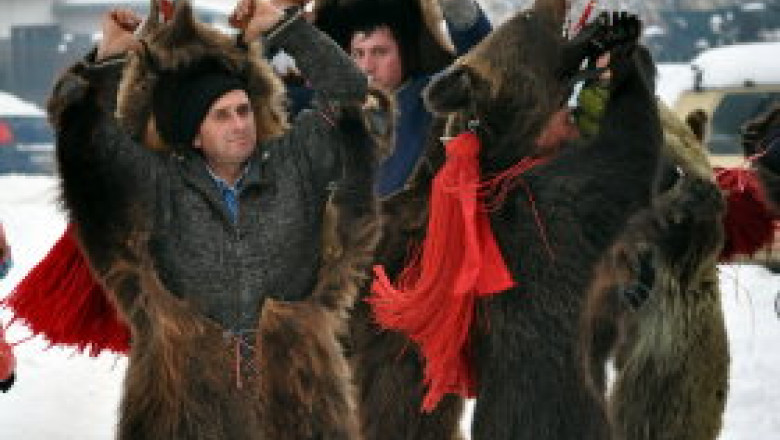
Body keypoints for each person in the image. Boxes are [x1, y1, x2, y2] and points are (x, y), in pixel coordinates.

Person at [46, 0, 379, 437]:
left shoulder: (293, 163)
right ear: (195, 134)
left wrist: (285, 30)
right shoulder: (161, 184)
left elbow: (349, 91)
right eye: (221, 116)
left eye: (243, 110)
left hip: (299, 405)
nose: (240, 124)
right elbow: (95, 150)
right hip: (185, 410)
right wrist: (110, 60)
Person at [314, 0, 491, 196]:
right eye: (358, 54)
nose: (366, 67)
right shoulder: (334, 111)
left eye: (380, 52)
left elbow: (482, 60)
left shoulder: (434, 96)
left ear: (406, 52)